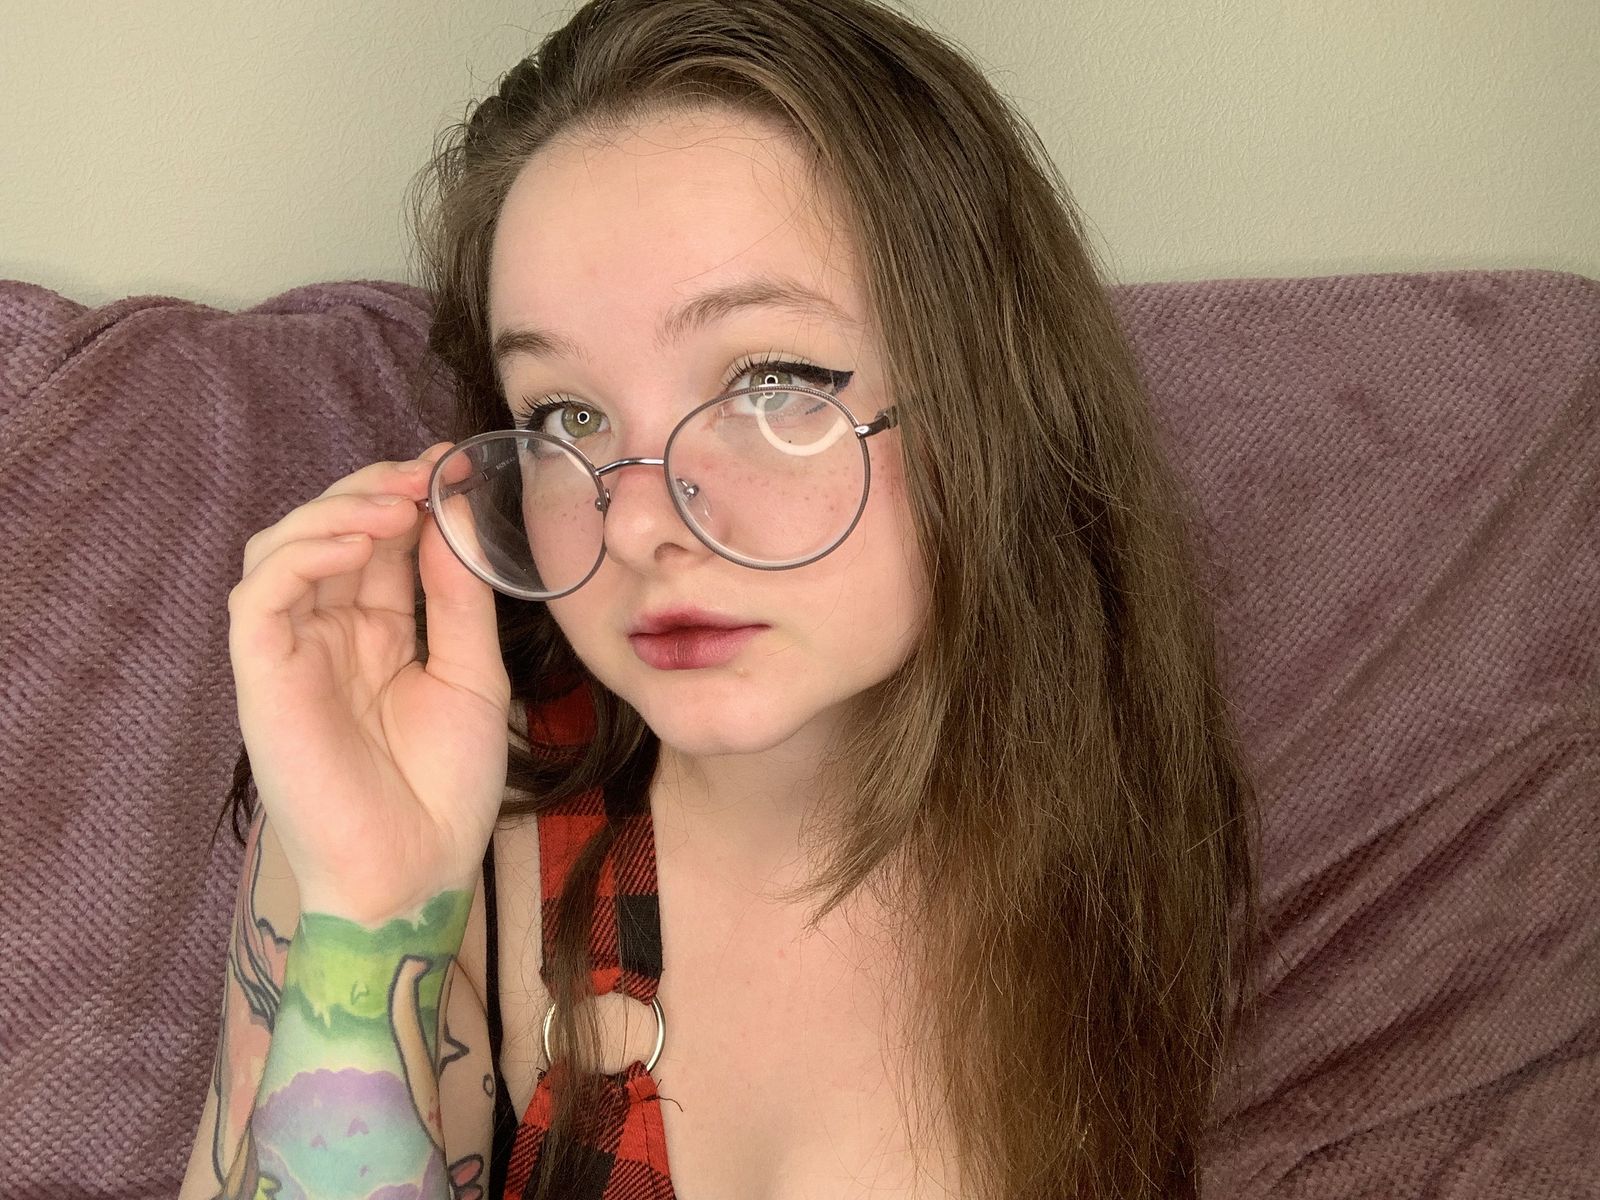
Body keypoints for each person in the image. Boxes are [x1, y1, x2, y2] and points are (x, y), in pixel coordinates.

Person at [185, 1, 1262, 1197]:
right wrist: (368, 916)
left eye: (770, 382)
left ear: (993, 398)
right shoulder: (417, 794)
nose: (636, 523)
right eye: (568, 416)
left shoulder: (1130, 822)